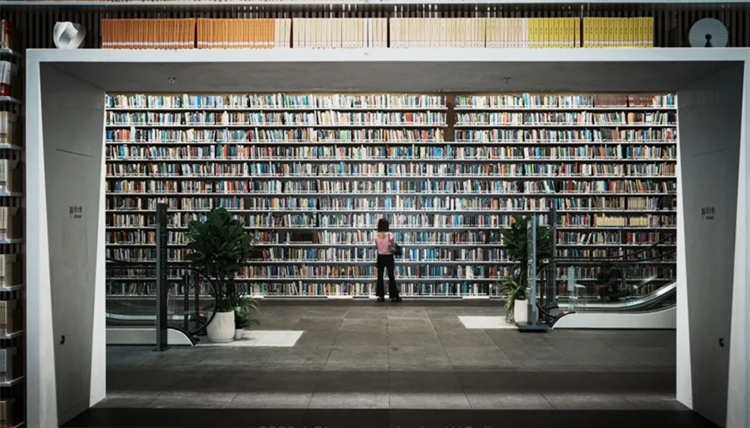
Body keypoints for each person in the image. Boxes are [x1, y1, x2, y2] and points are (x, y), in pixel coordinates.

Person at [374, 218, 401, 303]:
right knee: (391, 277)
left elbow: (377, 247)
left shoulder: (376, 235)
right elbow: (393, 246)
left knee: (380, 277)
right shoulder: (390, 234)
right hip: (389, 257)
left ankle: (381, 296)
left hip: (380, 257)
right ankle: (393, 296)